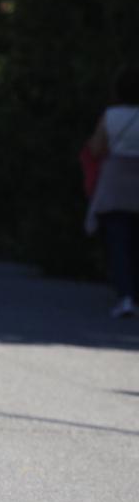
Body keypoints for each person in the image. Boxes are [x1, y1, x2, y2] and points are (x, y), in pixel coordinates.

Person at [86, 66, 139, 318]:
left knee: (118, 243)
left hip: (116, 181)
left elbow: (96, 148)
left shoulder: (111, 115)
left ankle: (126, 296)